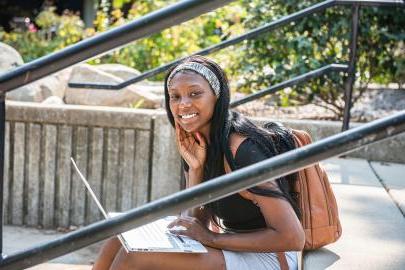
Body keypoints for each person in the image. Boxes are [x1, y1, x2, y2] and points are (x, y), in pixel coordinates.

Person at [92, 55, 305, 270]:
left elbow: (292, 237)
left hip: (271, 257)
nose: (183, 104)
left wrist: (212, 238)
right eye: (175, 96)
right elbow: (194, 222)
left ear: (217, 96)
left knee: (135, 257)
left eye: (195, 93)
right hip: (234, 247)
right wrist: (195, 170)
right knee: (120, 238)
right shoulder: (200, 143)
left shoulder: (242, 150)